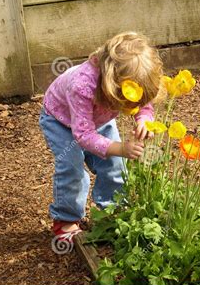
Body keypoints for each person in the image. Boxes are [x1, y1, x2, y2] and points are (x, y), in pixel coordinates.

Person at [39, 32, 163, 239]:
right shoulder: (82, 86)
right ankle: (66, 219)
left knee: (115, 164)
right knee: (72, 166)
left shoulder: (128, 79)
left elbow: (144, 104)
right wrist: (122, 148)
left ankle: (109, 211)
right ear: (111, 86)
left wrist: (144, 120)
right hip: (60, 120)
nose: (132, 106)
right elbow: (83, 135)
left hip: (98, 119)